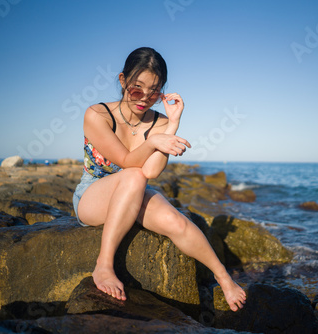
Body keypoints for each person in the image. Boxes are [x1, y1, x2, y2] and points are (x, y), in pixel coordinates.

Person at [72, 47, 246, 312]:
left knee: (175, 220)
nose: (144, 98)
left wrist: (173, 123)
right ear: (122, 81)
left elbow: (151, 171)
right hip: (92, 194)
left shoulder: (160, 122)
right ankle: (104, 265)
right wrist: (153, 141)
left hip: (136, 187)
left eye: (154, 91)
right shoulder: (97, 115)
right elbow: (129, 163)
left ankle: (222, 277)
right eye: (136, 89)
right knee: (132, 176)